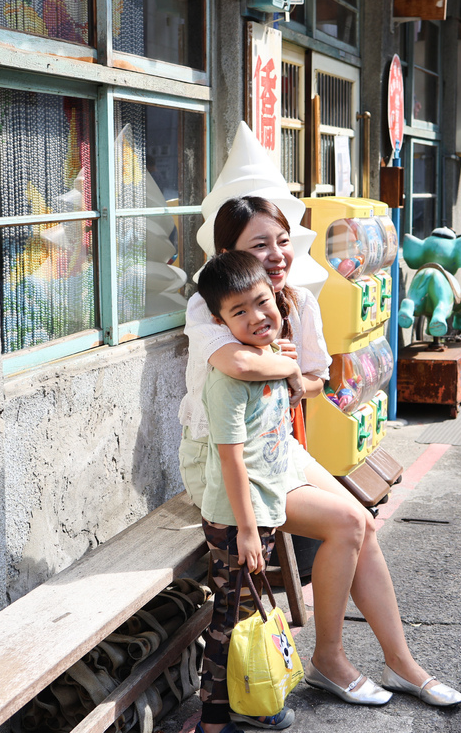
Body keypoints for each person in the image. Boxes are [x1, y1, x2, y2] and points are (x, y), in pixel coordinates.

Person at [178, 197, 461, 725]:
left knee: (364, 524)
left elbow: (318, 380)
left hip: (275, 447)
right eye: (259, 245)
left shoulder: (299, 304)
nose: (277, 253)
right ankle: (328, 659)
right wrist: (282, 366)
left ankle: (401, 662)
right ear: (227, 253)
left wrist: (291, 375)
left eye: (282, 240)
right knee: (347, 522)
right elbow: (234, 361)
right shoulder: (211, 301)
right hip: (226, 460)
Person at [193, 250, 302, 733]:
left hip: (260, 512)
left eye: (262, 302)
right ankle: (214, 721)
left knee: (247, 611)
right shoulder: (229, 380)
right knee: (229, 621)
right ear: (220, 321)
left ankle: (252, 703)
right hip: (238, 518)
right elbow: (231, 459)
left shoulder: (268, 359)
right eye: (239, 312)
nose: (258, 317)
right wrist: (246, 531)